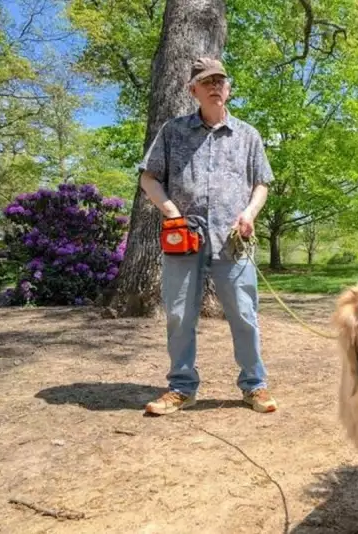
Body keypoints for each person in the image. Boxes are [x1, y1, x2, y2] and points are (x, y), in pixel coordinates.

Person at [137, 57, 277, 415]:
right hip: (184, 238)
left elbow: (261, 183)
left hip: (233, 238)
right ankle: (182, 387)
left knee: (245, 313)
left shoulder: (248, 135)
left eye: (220, 80)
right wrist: (172, 213)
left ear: (228, 89)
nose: (214, 86)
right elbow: (148, 178)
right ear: (193, 90)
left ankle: (254, 385)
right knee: (180, 314)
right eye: (206, 81)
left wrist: (249, 213)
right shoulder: (172, 131)